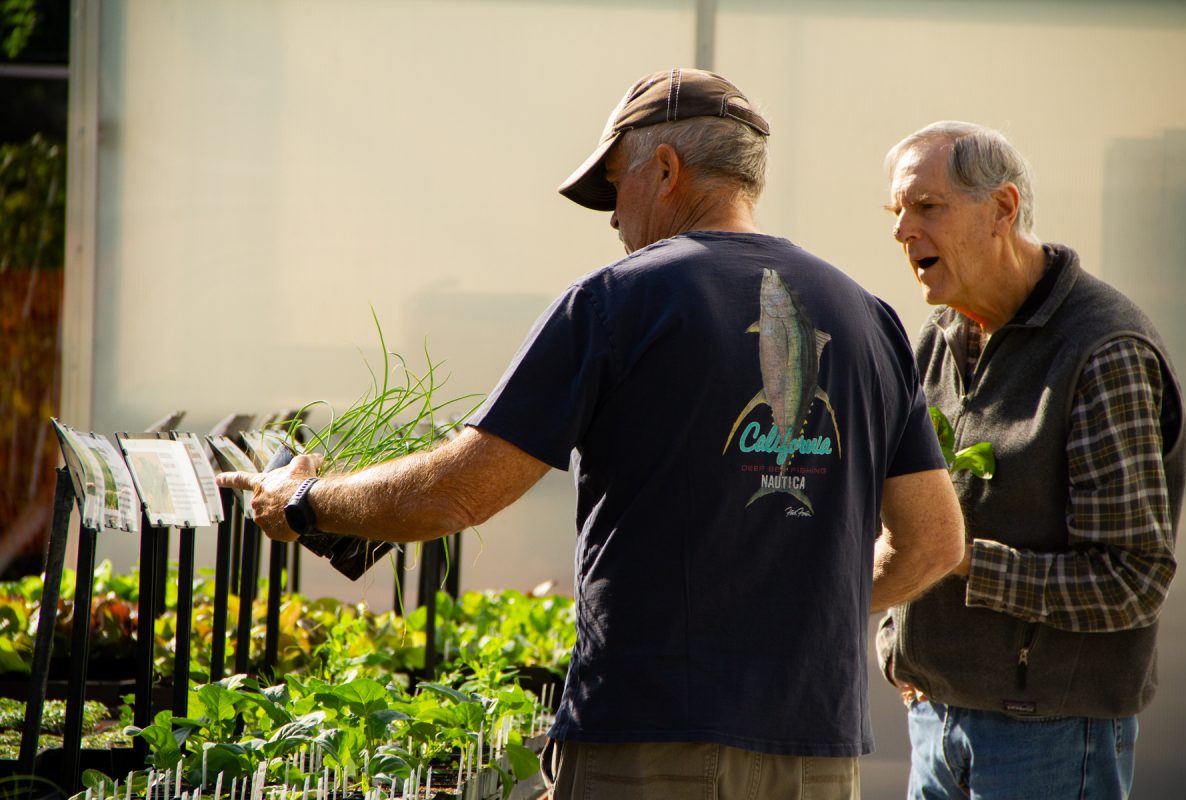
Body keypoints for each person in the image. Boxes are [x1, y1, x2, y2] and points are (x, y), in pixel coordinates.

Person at [218, 69, 964, 799]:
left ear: (665, 169)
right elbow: (933, 542)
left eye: (616, 187)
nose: (612, 217)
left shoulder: (617, 302)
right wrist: (794, 602)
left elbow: (458, 494)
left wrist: (306, 501)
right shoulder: (869, 318)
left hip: (648, 741)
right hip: (817, 755)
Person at [877, 121, 1186, 800]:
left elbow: (1131, 581)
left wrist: (957, 556)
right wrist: (896, 642)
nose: (903, 230)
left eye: (927, 207)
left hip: (1047, 737)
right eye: (896, 212)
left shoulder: (1104, 353)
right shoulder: (938, 338)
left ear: (1004, 209)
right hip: (934, 718)